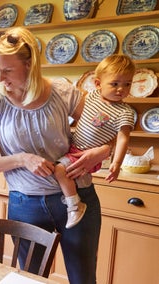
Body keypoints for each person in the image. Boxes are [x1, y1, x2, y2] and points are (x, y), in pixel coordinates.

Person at [0, 27, 111, 284]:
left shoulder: (63, 92)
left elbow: (105, 128)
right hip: (26, 205)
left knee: (83, 279)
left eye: (7, 70)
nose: (0, 78)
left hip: (77, 200)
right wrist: (21, 158)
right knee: (31, 279)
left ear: (29, 64)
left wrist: (102, 151)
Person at [55, 54, 136, 229]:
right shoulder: (91, 96)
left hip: (87, 155)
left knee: (60, 170)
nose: (121, 89)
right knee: (67, 173)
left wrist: (117, 163)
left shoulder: (125, 112)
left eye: (127, 84)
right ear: (98, 84)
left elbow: (123, 139)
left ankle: (75, 205)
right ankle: (76, 189)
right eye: (115, 84)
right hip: (75, 148)